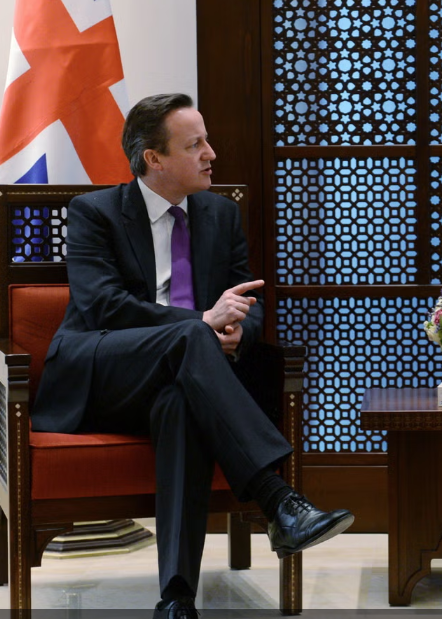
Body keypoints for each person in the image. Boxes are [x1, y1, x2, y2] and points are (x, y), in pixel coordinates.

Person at [31, 93, 354, 617]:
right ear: (153, 158)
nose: (211, 153)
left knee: (180, 405)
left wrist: (237, 333)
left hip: (186, 378)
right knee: (190, 337)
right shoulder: (94, 212)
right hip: (105, 375)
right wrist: (203, 323)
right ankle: (277, 497)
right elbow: (103, 306)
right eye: (195, 144)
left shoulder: (220, 214)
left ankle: (176, 599)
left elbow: (248, 301)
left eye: (207, 141)